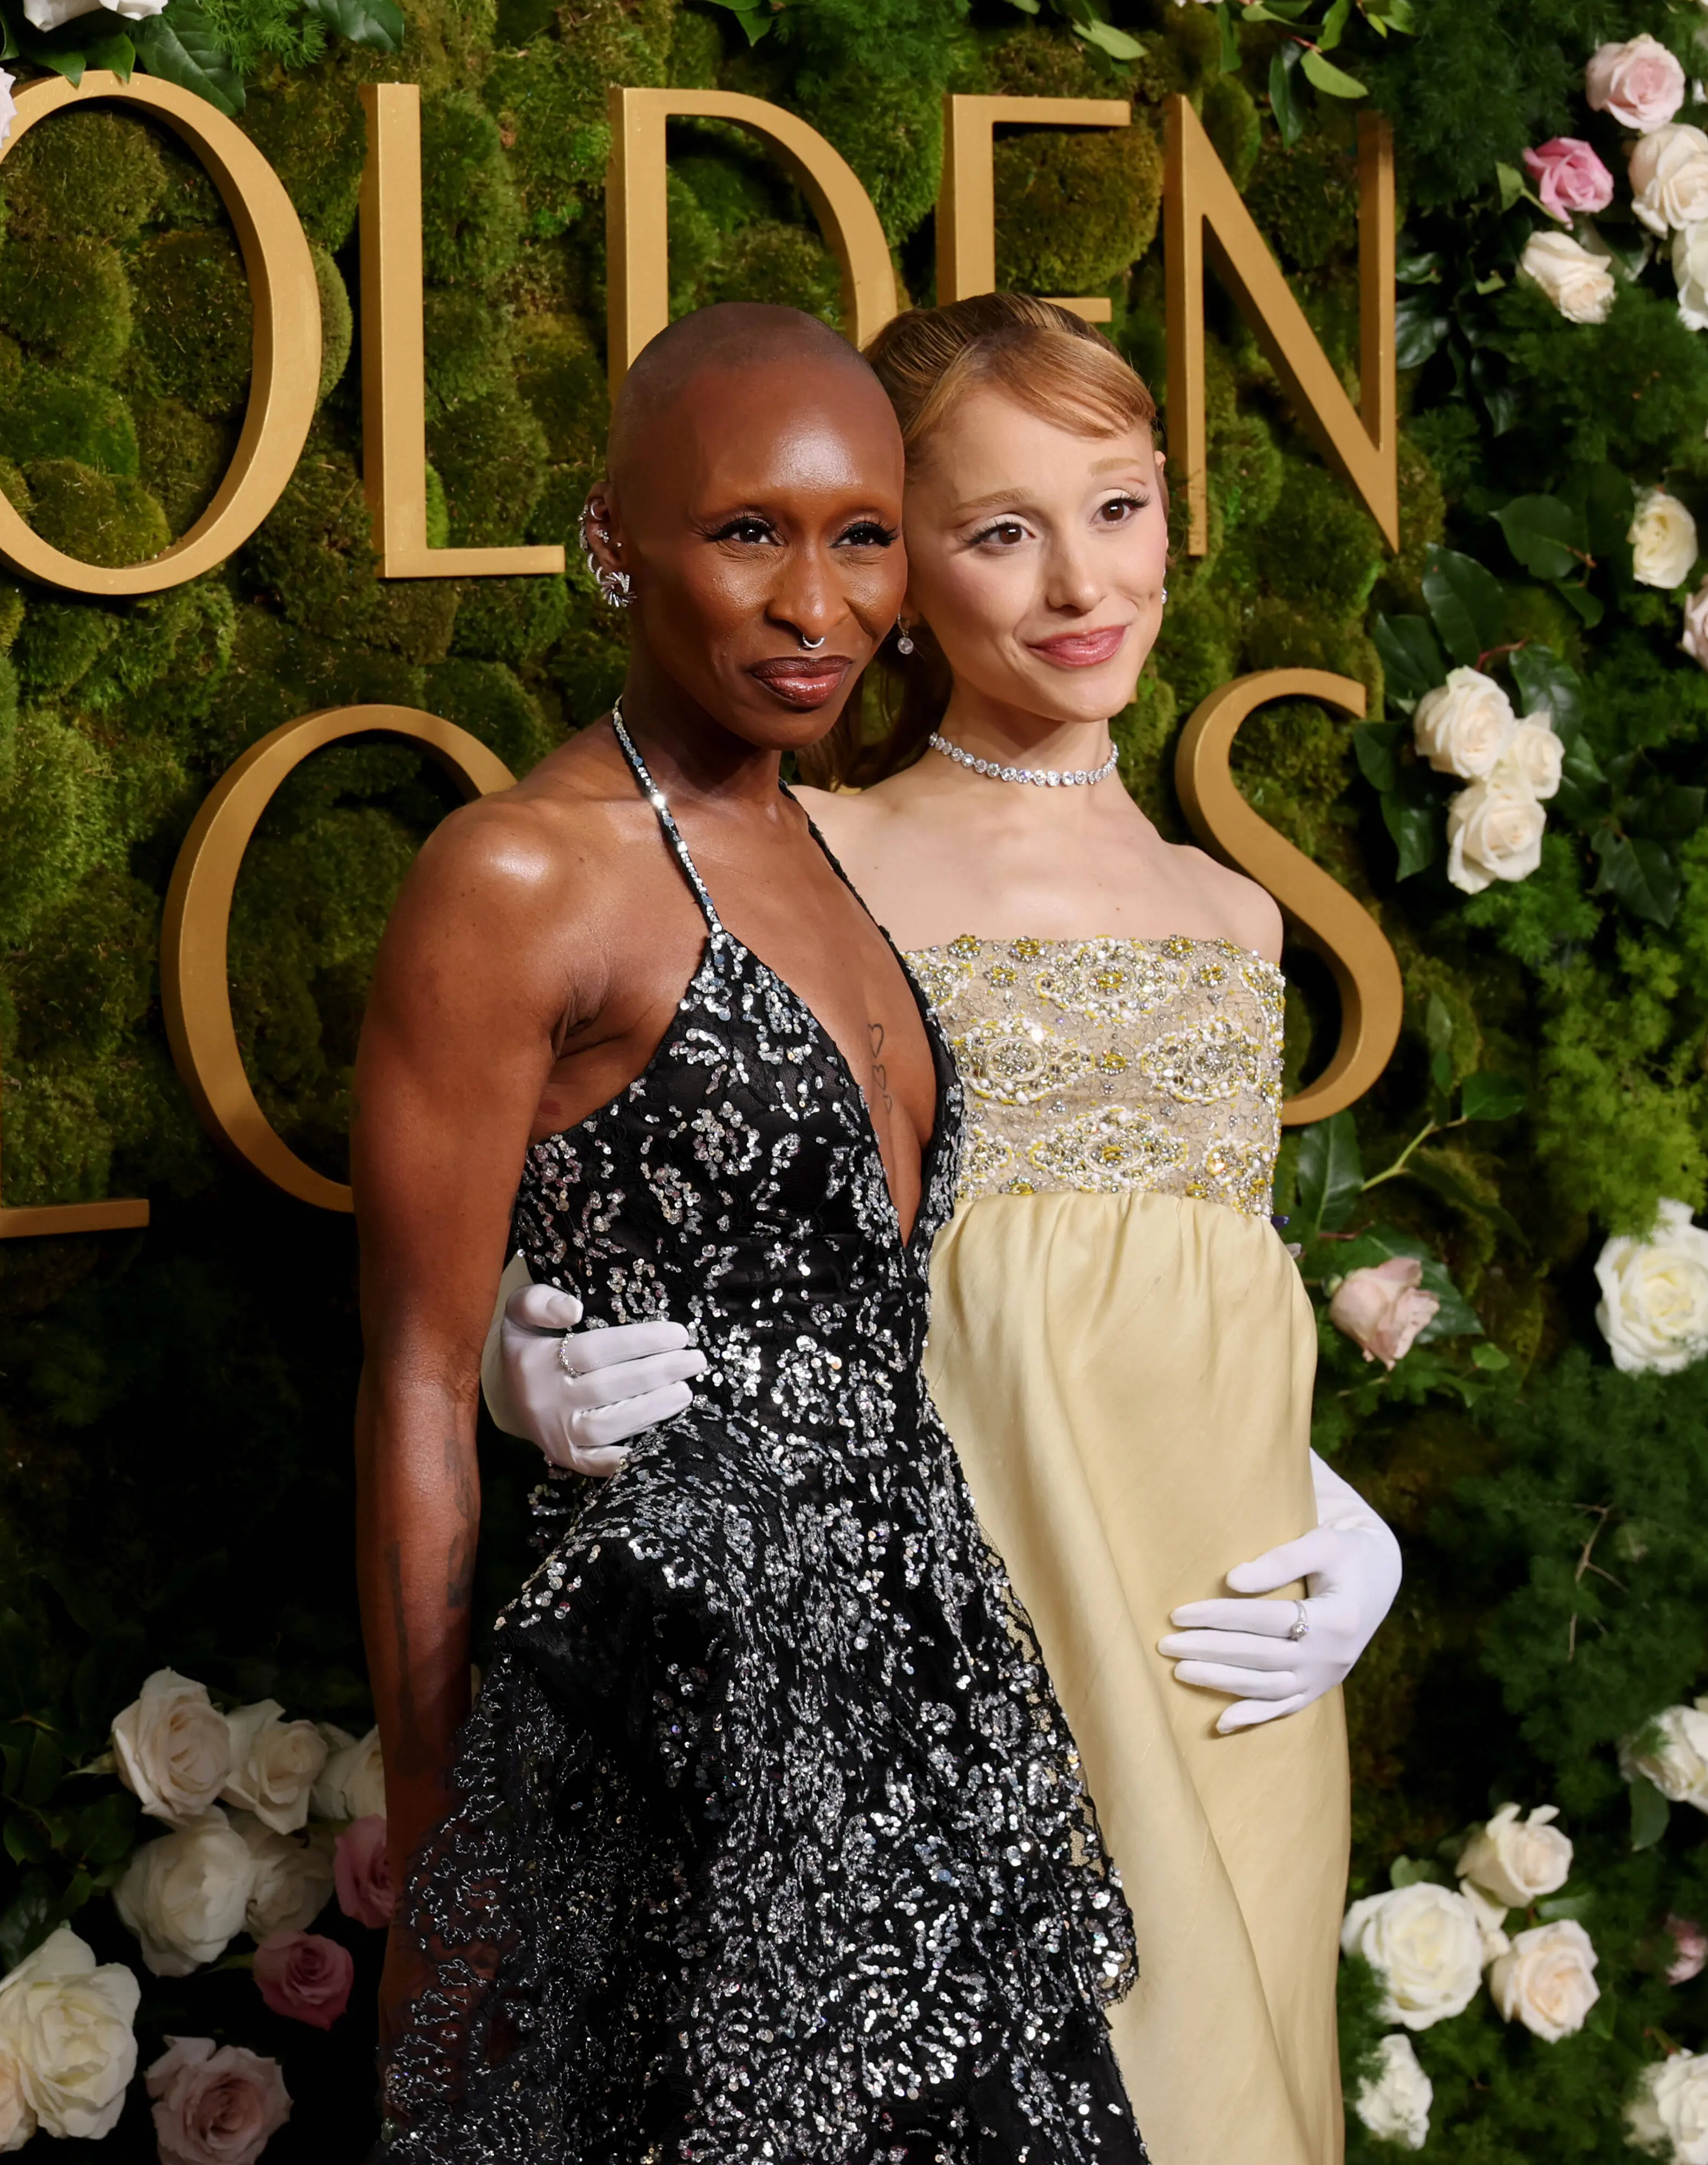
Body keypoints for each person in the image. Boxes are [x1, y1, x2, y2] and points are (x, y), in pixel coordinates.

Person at [488, 292, 1398, 2165]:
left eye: (1122, 507)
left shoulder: (1235, 920)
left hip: (1234, 1649)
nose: (1083, 582)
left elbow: (1203, 1295)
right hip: (948, 1627)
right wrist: (522, 1351)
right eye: (998, 531)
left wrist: (1341, 1513)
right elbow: (643, 1177)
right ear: (900, 570)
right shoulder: (822, 862)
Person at [351, 300, 1144, 2163]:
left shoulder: (837, 856)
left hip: (911, 1698)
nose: (818, 606)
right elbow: (403, 1384)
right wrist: (448, 1868)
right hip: (662, 1730)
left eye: (864, 536)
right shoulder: (521, 875)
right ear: (615, 543)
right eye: (747, 535)